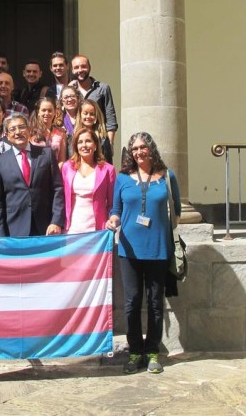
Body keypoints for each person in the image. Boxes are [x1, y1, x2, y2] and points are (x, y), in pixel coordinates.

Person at [106, 132, 181, 375]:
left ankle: (152, 352)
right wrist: (113, 220)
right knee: (132, 303)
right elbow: (116, 208)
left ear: (151, 149)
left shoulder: (167, 177)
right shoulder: (122, 178)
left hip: (158, 250)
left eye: (143, 147)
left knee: (155, 304)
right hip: (129, 250)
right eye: (134, 148)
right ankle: (135, 351)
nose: (139, 152)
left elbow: (177, 211)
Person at [0, 113, 65, 237]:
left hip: (46, 228)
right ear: (7, 135)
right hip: (14, 230)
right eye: (12, 129)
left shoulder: (46, 154)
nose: (18, 132)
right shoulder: (0, 161)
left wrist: (56, 221)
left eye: (21, 127)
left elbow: (58, 189)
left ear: (29, 130)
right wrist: (0, 236)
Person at [62, 128, 115, 234]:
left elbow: (112, 203)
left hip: (97, 231)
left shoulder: (108, 169)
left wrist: (110, 221)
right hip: (71, 230)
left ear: (95, 145)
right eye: (80, 142)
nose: (84, 145)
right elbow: (62, 199)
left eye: (88, 141)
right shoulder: (67, 167)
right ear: (76, 147)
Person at [70, 55, 118, 147]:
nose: (80, 70)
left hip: (100, 140)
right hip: (78, 141)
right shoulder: (71, 91)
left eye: (83, 66)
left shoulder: (103, 88)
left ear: (89, 67)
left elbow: (111, 118)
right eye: (76, 67)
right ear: (72, 70)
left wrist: (110, 144)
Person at [29, 97, 66, 168]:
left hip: (53, 173)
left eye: (50, 110)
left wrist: (55, 175)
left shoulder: (61, 134)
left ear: (55, 112)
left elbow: (61, 160)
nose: (47, 113)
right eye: (43, 110)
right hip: (34, 173)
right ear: (38, 112)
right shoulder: (30, 132)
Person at [75, 99, 113, 164]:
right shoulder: (74, 136)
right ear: (80, 115)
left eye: (92, 114)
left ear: (96, 117)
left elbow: (108, 163)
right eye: (85, 113)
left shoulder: (103, 139)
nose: (88, 116)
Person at [59, 85, 82, 157]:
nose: (69, 99)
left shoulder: (85, 118)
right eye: (66, 97)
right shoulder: (58, 121)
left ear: (78, 98)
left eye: (72, 96)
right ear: (62, 101)